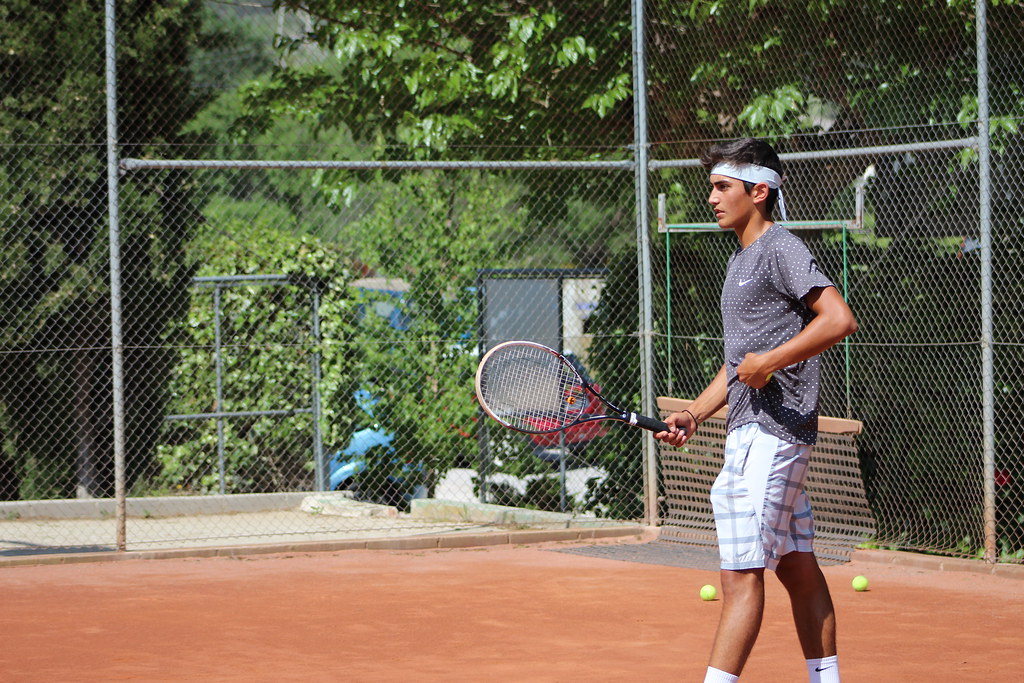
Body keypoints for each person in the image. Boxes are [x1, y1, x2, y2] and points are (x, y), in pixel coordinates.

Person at [654, 138, 858, 683]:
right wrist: (695, 413)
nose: (712, 198)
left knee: (740, 577)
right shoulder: (741, 260)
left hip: (773, 434)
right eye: (712, 188)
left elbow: (838, 318)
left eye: (723, 187)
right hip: (751, 432)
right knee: (797, 568)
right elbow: (738, 365)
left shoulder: (780, 248)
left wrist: (770, 361)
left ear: (759, 191)